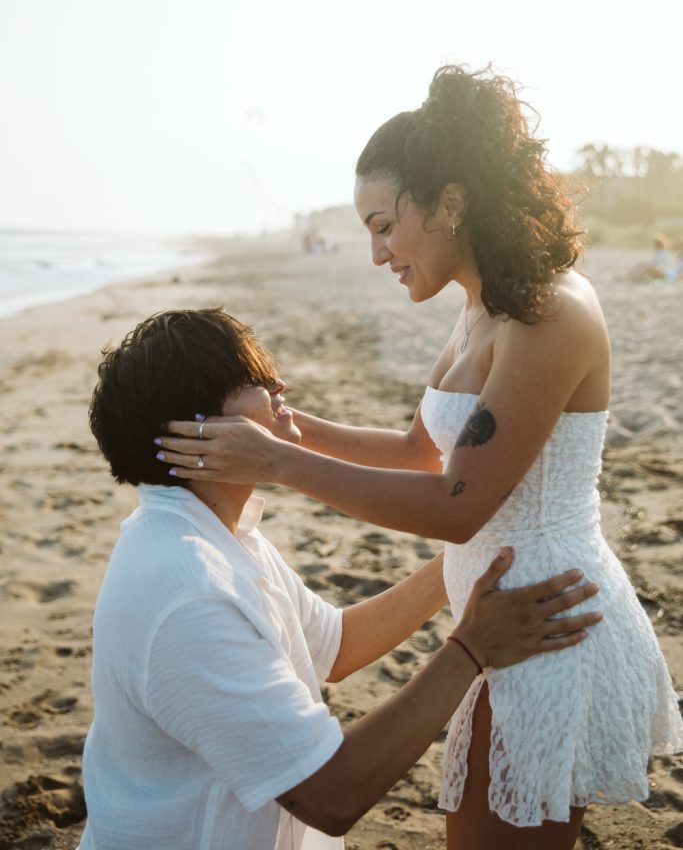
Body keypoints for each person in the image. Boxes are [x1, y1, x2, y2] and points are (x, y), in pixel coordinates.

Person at [157, 67, 683, 850]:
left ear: (450, 203)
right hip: (499, 614)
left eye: (382, 225)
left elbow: (457, 504)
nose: (375, 253)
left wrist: (277, 464)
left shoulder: (548, 314)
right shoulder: (478, 306)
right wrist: (295, 431)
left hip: (544, 623)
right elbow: (417, 450)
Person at [80, 307, 601, 850]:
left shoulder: (213, 531)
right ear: (196, 432)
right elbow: (331, 795)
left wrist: (468, 561)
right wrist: (471, 647)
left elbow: (335, 646)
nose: (279, 385)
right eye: (251, 382)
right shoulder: (187, 586)